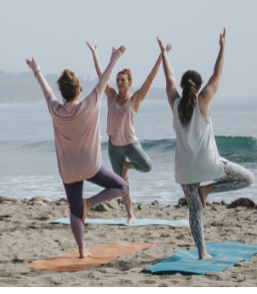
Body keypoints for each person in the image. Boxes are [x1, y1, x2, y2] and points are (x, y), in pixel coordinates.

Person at [157, 29, 254, 259]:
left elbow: (168, 79)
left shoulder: (175, 104)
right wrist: (222, 47)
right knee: (247, 178)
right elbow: (217, 73)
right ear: (199, 87)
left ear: (182, 87)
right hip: (209, 164)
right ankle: (208, 189)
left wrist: (164, 54)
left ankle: (202, 252)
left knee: (195, 210)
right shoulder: (204, 101)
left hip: (185, 169)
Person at [26, 45, 130, 259]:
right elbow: (105, 79)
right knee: (123, 187)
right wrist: (115, 57)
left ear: (63, 93)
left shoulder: (55, 109)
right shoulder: (89, 104)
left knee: (74, 211)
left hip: (69, 170)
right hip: (91, 166)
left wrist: (36, 69)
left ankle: (82, 251)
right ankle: (90, 203)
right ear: (78, 91)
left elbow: (46, 90)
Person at [86, 42, 172, 224]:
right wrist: (95, 54)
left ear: (129, 82)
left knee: (147, 165)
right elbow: (102, 76)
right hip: (114, 147)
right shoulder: (110, 95)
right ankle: (131, 215)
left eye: (122, 80)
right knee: (122, 186)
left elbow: (151, 77)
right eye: (117, 80)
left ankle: (128, 166)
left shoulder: (135, 99)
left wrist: (161, 56)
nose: (118, 83)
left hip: (131, 144)